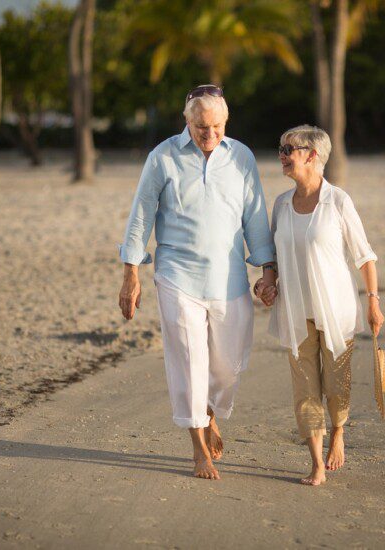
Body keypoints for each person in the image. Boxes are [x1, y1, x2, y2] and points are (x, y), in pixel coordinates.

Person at [118, 85, 276, 480]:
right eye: (202, 126)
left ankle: (210, 413)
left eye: (217, 126)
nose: (210, 135)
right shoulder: (163, 157)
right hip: (176, 276)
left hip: (230, 278)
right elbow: (141, 215)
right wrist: (131, 274)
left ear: (227, 121)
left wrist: (267, 269)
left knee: (227, 367)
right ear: (186, 121)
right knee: (189, 361)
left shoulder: (241, 157)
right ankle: (198, 448)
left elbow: (255, 216)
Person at [255, 125, 385, 486]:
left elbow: (365, 257)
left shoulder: (338, 201)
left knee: (336, 388)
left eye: (288, 149)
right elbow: (273, 260)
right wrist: (267, 283)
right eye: (280, 148)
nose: (281, 155)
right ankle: (315, 463)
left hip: (337, 310)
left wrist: (373, 302)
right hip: (295, 311)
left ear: (312, 156)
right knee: (305, 392)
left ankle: (339, 430)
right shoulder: (281, 204)